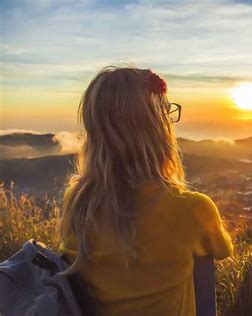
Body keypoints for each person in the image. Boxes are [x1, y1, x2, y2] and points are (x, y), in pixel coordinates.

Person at [59, 66, 233, 316]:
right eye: (167, 114)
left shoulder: (77, 204)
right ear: (157, 130)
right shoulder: (193, 209)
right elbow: (222, 249)